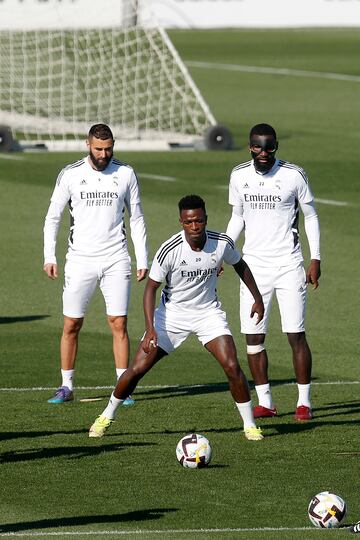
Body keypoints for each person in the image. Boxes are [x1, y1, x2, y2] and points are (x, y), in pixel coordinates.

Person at [88, 194, 265, 441]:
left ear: (205, 219)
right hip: (171, 316)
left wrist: (257, 298)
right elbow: (150, 289)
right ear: (181, 222)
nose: (195, 226)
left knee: (232, 366)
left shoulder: (221, 243)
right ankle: (106, 415)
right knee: (137, 369)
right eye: (189, 222)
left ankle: (249, 425)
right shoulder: (169, 250)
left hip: (207, 314)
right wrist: (150, 329)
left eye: (199, 221)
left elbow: (241, 266)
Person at [43, 123, 148, 405]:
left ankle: (122, 386)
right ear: (88, 145)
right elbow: (53, 216)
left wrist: (142, 258)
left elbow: (136, 217)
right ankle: (66, 386)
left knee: (118, 323)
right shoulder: (71, 174)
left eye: (109, 148)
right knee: (72, 324)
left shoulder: (125, 173)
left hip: (116, 259)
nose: (104, 154)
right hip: (80, 260)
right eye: (99, 148)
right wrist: (49, 256)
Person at [226, 123, 321, 421]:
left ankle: (304, 402)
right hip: (253, 269)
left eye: (269, 147)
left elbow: (311, 216)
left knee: (295, 334)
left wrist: (315, 258)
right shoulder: (239, 175)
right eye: (258, 147)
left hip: (289, 265)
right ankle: (266, 401)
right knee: (253, 338)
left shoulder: (293, 174)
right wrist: (222, 253)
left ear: (276, 146)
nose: (264, 153)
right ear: (250, 146)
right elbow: (237, 218)